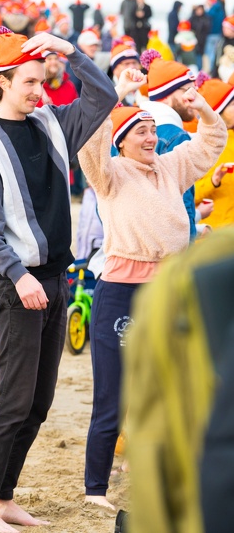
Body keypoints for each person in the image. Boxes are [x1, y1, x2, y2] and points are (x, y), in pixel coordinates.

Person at [0, 26, 117, 532]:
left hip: (56, 278)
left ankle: (3, 498)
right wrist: (17, 275)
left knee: (40, 401)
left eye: (41, 80)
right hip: (18, 284)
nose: (37, 90)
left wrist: (70, 52)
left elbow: (105, 95)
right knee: (12, 397)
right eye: (28, 81)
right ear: (1, 82)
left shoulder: (51, 122)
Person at [78, 69, 226, 510]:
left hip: (170, 291)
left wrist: (201, 109)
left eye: (151, 130)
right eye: (140, 131)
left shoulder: (168, 166)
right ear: (122, 140)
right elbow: (89, 147)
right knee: (113, 395)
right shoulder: (111, 175)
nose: (149, 138)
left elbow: (210, 144)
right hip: (121, 291)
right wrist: (116, 97)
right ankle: (95, 489)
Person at [139, 50, 207, 239]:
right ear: (166, 96)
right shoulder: (176, 137)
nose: (194, 97)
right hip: (170, 252)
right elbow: (182, 209)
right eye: (187, 90)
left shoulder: (130, 132)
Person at [194, 77, 234, 228]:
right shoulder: (201, 145)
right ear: (219, 112)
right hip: (215, 239)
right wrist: (213, 182)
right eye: (232, 104)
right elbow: (187, 195)